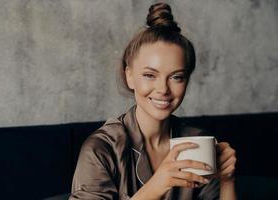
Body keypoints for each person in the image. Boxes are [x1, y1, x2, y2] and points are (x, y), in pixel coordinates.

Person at [69, 2, 237, 200]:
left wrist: (227, 180)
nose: (163, 89)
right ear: (129, 76)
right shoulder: (101, 148)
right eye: (150, 75)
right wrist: (157, 185)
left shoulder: (198, 143)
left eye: (176, 77)